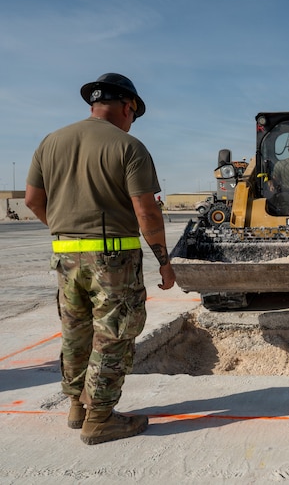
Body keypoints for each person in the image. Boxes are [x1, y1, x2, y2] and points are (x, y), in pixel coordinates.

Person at [25, 73, 176, 445]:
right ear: (128, 107)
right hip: (112, 261)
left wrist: (65, 230)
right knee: (114, 336)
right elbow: (147, 213)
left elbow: (32, 200)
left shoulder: (51, 142)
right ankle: (102, 418)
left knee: (76, 334)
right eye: (132, 114)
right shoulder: (129, 146)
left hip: (64, 258)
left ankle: (78, 407)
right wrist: (164, 261)